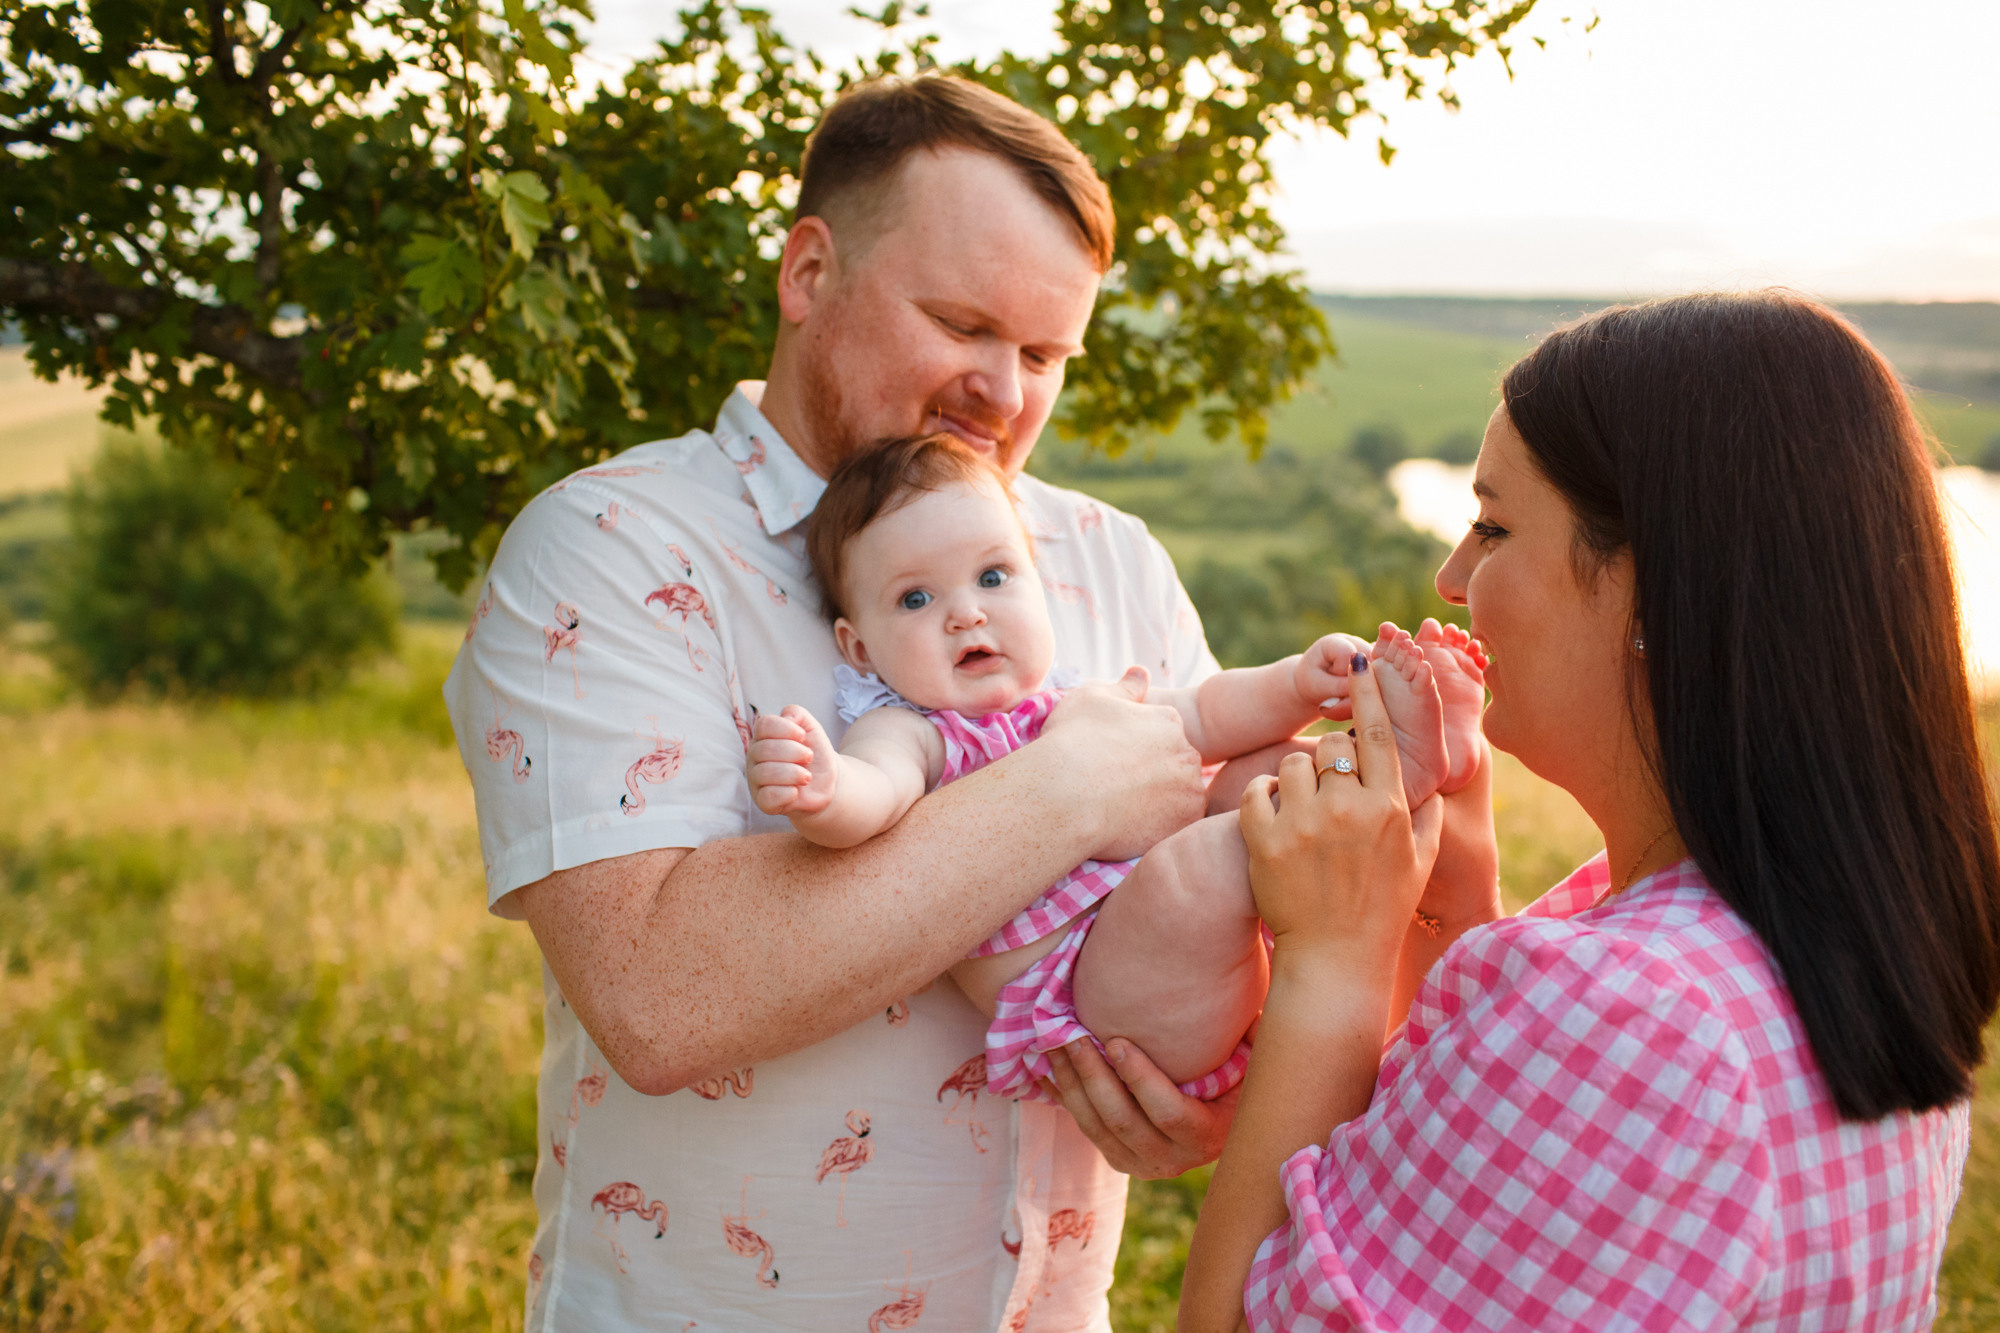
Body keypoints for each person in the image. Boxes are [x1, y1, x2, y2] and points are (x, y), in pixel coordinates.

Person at [446, 74, 1234, 1330]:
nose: (1005, 392)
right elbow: (660, 995)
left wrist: (1198, 1086)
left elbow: (1226, 900)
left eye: (1042, 354)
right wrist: (1067, 788)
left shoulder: (1109, 560)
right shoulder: (609, 547)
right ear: (807, 272)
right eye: (961, 323)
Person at [1156, 291, 2000, 1331]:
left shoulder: (1637, 1020)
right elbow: (1473, 1202)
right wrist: (1451, 892)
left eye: (1494, 525)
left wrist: (1330, 955)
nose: (1451, 577)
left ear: (1654, 592)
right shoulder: (1827, 932)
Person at [745, 431, 1485, 1102]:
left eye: (994, 577)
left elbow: (1205, 712)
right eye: (915, 597)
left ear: (1037, 582)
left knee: (1247, 772)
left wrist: (1296, 682)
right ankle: (1372, 788)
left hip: (1190, 954)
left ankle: (1392, 762)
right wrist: (825, 786)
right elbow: (876, 792)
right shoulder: (914, 731)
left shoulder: (1075, 699)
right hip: (1094, 1001)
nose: (966, 612)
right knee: (1196, 864)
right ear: (860, 649)